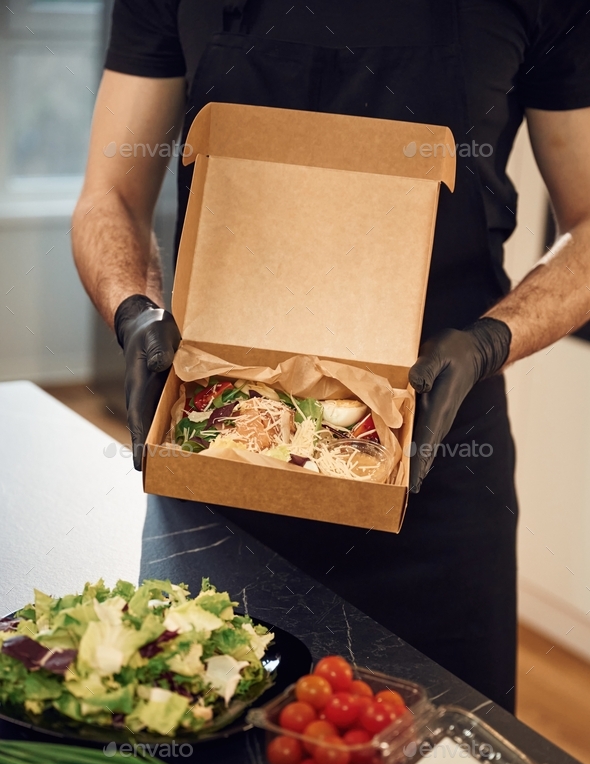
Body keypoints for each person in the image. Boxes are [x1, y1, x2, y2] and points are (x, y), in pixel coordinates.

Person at [72, 0, 590, 712]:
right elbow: (110, 195)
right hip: (218, 443)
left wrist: (490, 341)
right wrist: (135, 310)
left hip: (435, 464)